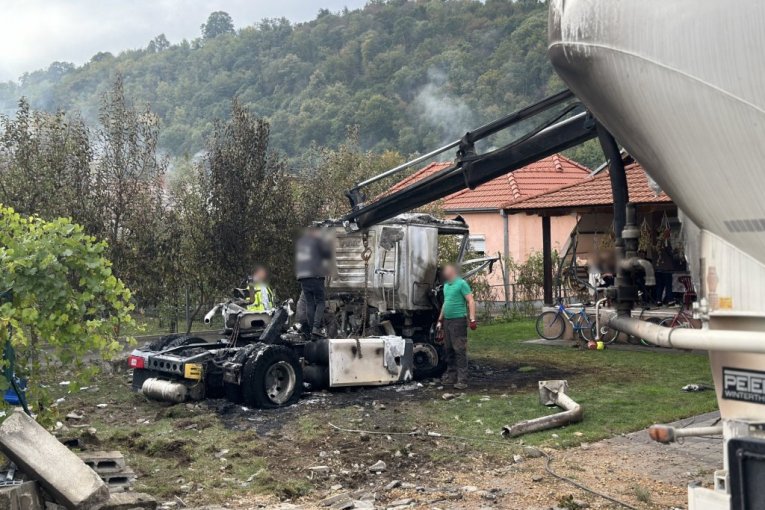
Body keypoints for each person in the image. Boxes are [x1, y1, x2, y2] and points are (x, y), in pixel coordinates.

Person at [436, 264, 476, 390]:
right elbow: (445, 303)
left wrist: (472, 318)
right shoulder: (446, 286)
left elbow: (470, 300)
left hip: (458, 320)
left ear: (452, 271)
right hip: (447, 321)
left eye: (446, 271)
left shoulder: (461, 283)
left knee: (459, 349)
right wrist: (440, 320)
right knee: (448, 349)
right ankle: (451, 376)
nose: (444, 273)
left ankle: (462, 380)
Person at [295, 226, 332, 338]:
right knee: (320, 302)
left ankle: (312, 331)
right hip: (315, 276)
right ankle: (316, 327)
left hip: (303, 278)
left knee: (310, 303)